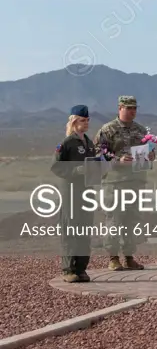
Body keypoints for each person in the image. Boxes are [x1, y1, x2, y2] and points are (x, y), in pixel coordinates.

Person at [93, 95, 154, 271]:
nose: (132, 111)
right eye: (129, 108)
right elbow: (99, 152)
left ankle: (129, 256)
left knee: (132, 220)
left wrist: (150, 155)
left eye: (135, 108)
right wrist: (118, 159)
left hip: (135, 182)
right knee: (114, 219)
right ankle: (113, 257)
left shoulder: (141, 130)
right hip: (115, 182)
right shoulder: (108, 129)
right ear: (120, 108)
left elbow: (149, 151)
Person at [52, 105, 97, 283]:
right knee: (70, 229)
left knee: (85, 229)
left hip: (87, 193)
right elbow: (56, 167)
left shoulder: (89, 143)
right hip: (71, 192)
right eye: (82, 120)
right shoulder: (66, 143)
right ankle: (69, 269)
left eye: (87, 121)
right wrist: (76, 170)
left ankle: (81, 268)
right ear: (74, 121)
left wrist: (101, 169)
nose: (85, 124)